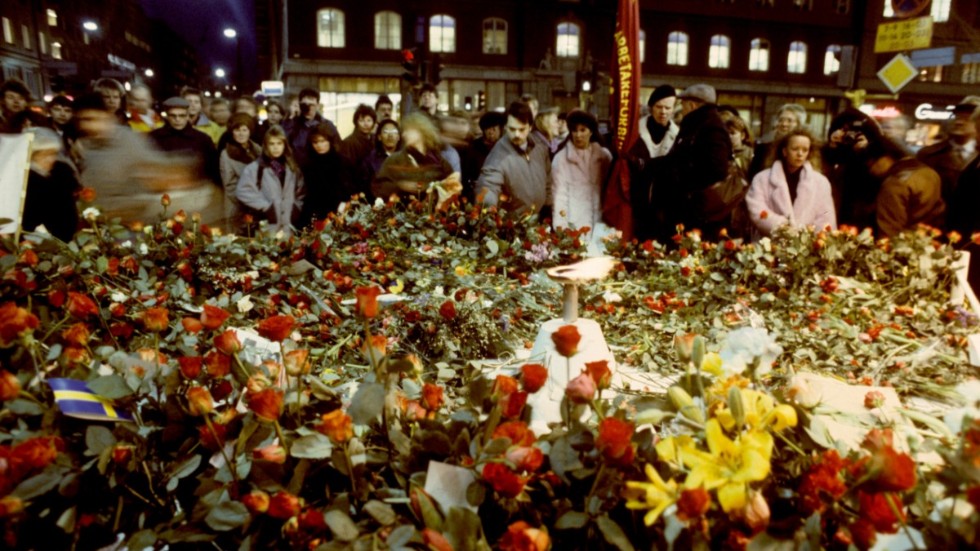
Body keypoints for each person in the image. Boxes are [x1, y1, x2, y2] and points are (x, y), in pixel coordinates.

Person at [72, 93, 216, 224]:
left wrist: (185, 168)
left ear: (108, 116)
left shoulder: (129, 141)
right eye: (82, 120)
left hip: (127, 225)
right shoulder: (82, 146)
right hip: (95, 223)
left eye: (92, 119)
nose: (87, 125)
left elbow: (156, 171)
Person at [644, 83, 733, 241]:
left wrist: (681, 179)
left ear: (692, 105)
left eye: (683, 104)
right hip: (687, 207)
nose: (682, 108)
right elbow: (679, 158)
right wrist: (652, 165)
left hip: (697, 211)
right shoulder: (697, 125)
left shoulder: (711, 128)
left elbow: (717, 169)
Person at [745, 128, 835, 239]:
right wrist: (783, 228)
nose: (800, 154)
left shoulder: (821, 182)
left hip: (807, 248)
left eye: (805, 150)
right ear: (784, 151)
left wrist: (809, 240)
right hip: (769, 245)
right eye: (795, 149)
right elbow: (756, 210)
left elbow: (826, 217)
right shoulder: (762, 179)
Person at [551, 110, 613, 251]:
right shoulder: (561, 159)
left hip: (601, 223)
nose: (578, 135)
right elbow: (559, 197)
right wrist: (562, 231)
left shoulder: (604, 157)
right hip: (575, 224)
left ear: (591, 131)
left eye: (582, 130)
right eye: (574, 130)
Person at [477, 100, 552, 215]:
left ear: (530, 127)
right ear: (506, 127)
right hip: (513, 226)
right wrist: (488, 208)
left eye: (522, 129)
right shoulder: (498, 155)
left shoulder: (540, 148)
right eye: (512, 129)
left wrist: (548, 206)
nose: (517, 134)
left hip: (538, 220)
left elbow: (548, 180)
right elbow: (488, 185)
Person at [628, 84, 679, 240]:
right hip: (636, 200)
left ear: (673, 109)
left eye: (668, 108)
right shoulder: (634, 132)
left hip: (664, 205)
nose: (663, 112)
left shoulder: (677, 136)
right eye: (659, 107)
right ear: (651, 107)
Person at [236, 125, 306, 235]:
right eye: (272, 144)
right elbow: (243, 191)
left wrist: (296, 206)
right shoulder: (256, 167)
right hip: (267, 225)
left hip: (289, 226)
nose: (276, 148)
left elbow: (301, 191)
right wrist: (265, 206)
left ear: (285, 145)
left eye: (279, 143)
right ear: (266, 146)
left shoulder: (292, 168)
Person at [871, 137, 945, 237]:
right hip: (926, 239)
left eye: (871, 164)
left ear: (885, 159)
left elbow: (889, 229)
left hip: (903, 244)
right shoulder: (929, 172)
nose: (871, 170)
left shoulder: (894, 185)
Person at [372, 113, 456, 200]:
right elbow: (378, 187)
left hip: (433, 212)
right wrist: (400, 187)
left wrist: (431, 189)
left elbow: (453, 186)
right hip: (403, 212)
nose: (404, 134)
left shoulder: (438, 161)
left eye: (408, 130)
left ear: (421, 131)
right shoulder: (394, 160)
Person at [21, 127, 81, 241]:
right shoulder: (23, 178)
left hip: (67, 238)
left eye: (53, 153)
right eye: (43, 154)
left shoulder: (62, 171)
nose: (50, 159)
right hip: (36, 241)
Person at [917, 102, 977, 206]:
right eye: (956, 117)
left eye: (966, 118)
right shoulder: (928, 154)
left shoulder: (977, 155)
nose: (959, 122)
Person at [149, 97, 219, 186]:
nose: (177, 119)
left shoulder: (203, 139)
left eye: (182, 115)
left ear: (187, 116)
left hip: (194, 189)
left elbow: (213, 170)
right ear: (167, 116)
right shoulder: (154, 138)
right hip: (162, 189)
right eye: (173, 115)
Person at [301, 123, 356, 226]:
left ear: (330, 141)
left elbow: (350, 188)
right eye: (315, 142)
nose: (319, 146)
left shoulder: (342, 162)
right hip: (316, 214)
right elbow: (308, 194)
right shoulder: (308, 165)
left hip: (340, 213)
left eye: (323, 141)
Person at [219, 113, 262, 233]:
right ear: (232, 131)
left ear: (250, 131)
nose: (241, 134)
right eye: (237, 130)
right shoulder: (227, 154)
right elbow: (229, 185)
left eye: (245, 130)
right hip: (238, 205)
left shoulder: (257, 149)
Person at [282, 88, 338, 167]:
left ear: (318, 106)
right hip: (297, 171)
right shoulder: (293, 124)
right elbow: (282, 143)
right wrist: (291, 117)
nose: (309, 109)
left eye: (312, 105)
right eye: (305, 105)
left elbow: (337, 149)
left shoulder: (327, 125)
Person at [749, 103, 807, 179]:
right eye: (781, 120)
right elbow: (753, 176)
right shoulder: (763, 148)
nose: (784, 124)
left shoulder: (806, 149)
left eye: (789, 121)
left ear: (799, 124)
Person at [462, 111, 506, 200]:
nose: (491, 132)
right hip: (479, 192)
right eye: (487, 129)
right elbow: (466, 175)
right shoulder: (474, 147)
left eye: (494, 129)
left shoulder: (506, 147)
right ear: (483, 130)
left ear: (500, 130)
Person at [360, 118, 400, 199]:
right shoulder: (369, 160)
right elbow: (365, 188)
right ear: (379, 137)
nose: (390, 135)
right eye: (386, 132)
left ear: (398, 137)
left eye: (394, 132)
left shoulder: (406, 157)